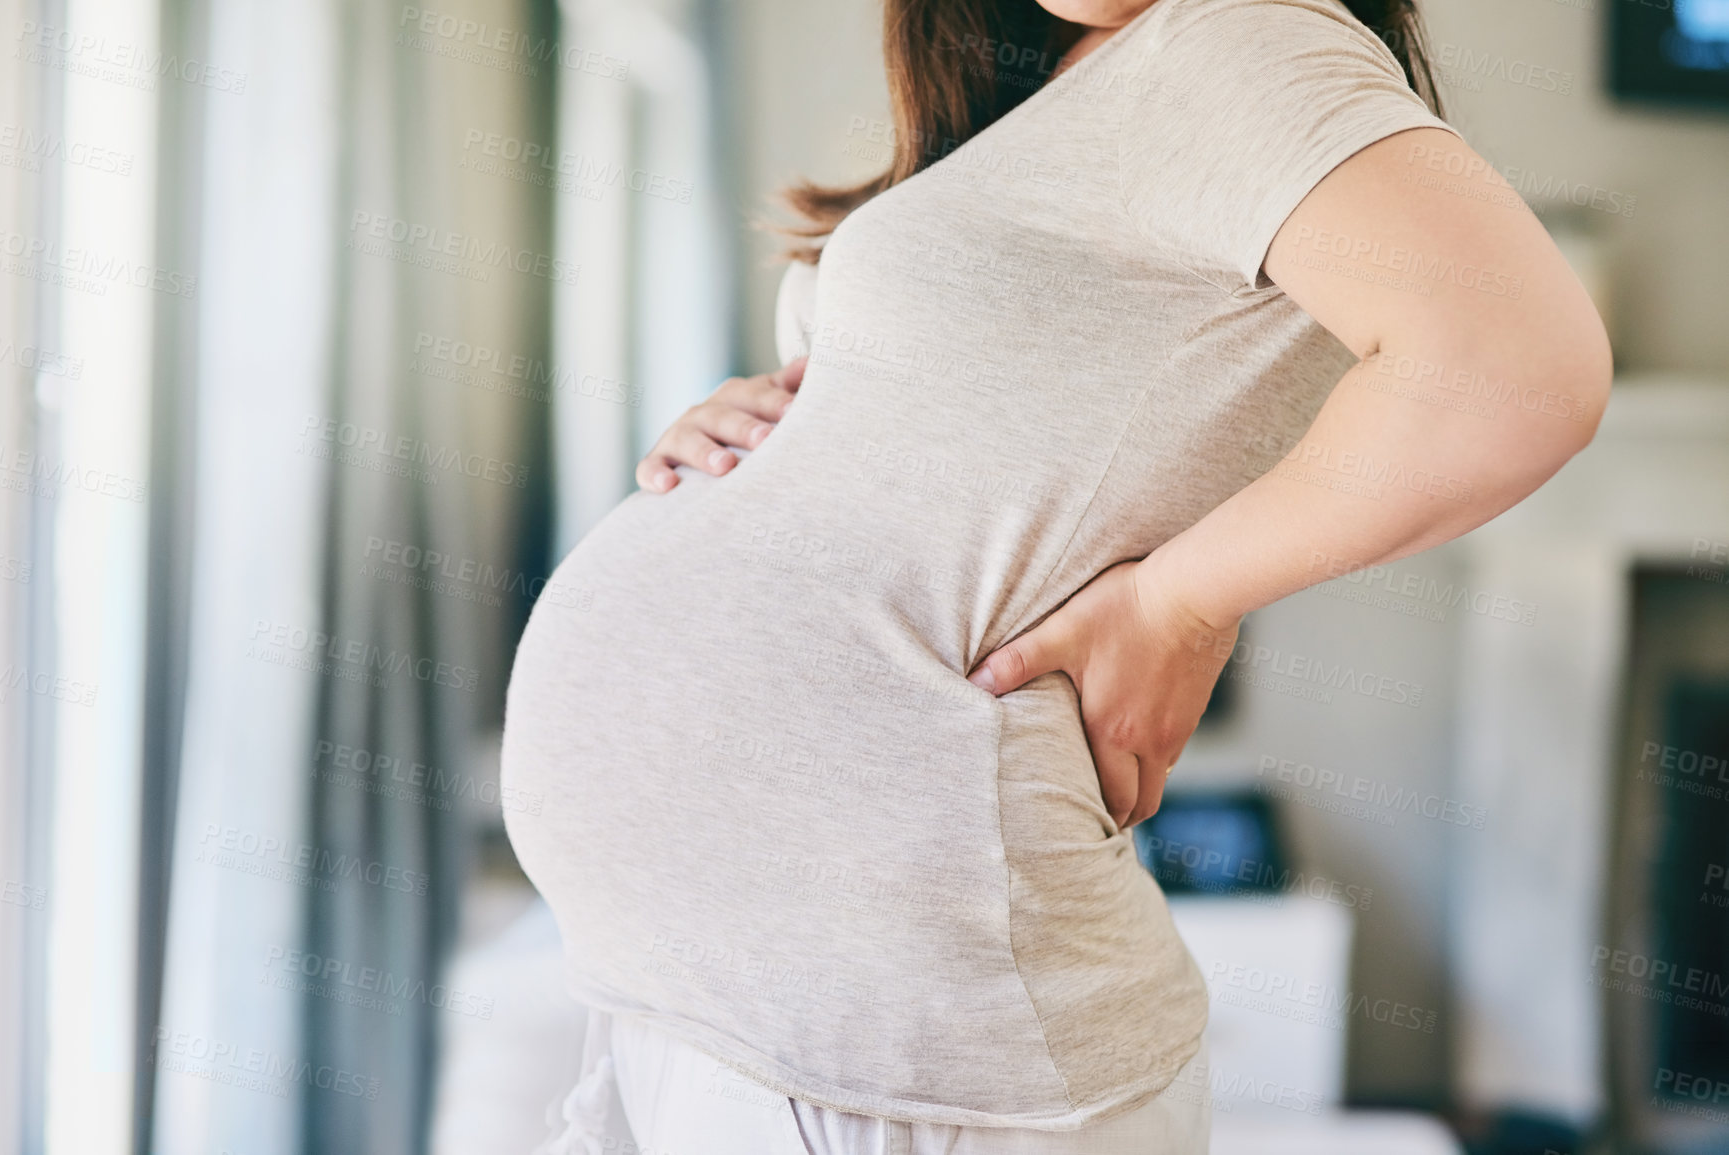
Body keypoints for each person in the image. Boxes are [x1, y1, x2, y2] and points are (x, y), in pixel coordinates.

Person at [500, 0, 1613, 1150]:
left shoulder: (1242, 38)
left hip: (893, 1031)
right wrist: (767, 423)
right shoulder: (1042, 82)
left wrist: (1180, 601)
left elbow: (1517, 370)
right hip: (724, 997)